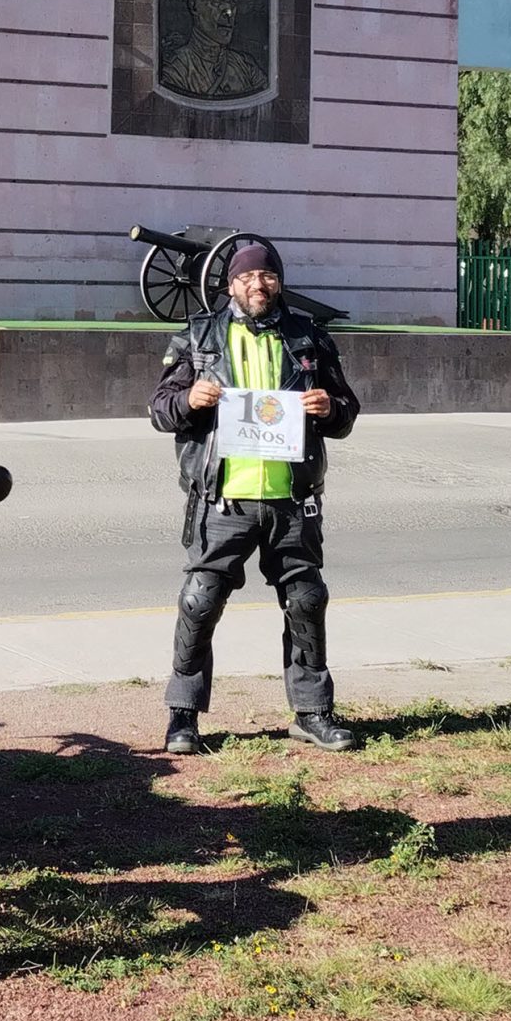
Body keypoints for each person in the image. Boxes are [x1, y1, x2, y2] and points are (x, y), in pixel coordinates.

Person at [150, 236, 362, 754]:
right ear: (230, 286)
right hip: (224, 499)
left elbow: (347, 413)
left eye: (266, 275)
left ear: (278, 281)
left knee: (306, 600)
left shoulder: (308, 339)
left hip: (292, 499)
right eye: (246, 277)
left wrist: (327, 408)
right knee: (199, 602)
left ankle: (312, 713)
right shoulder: (200, 339)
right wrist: (188, 399)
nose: (257, 284)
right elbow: (159, 409)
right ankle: (183, 717)